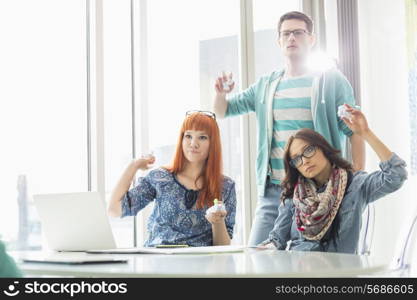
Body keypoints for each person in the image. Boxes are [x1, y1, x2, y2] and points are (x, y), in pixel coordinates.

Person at [213, 11, 365, 246]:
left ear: (311, 39)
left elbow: (355, 130)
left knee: (314, 265)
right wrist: (221, 93)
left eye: (298, 32)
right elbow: (223, 111)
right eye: (286, 34)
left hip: (319, 191)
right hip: (275, 191)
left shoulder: (331, 81)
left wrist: (355, 180)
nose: (291, 37)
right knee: (257, 261)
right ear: (279, 41)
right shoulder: (266, 85)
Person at [260, 104, 407, 253]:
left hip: (339, 271)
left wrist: (365, 133)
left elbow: (396, 175)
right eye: (297, 159)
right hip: (299, 269)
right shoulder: (294, 195)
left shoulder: (355, 185)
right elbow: (276, 240)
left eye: (308, 150)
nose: (304, 161)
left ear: (323, 148)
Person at [108, 111, 236, 247]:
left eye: (202, 137)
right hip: (158, 262)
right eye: (188, 136)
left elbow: (222, 246)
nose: (193, 143)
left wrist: (218, 222)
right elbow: (114, 209)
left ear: (213, 143)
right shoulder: (160, 178)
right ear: (181, 139)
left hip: (200, 264)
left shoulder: (226, 186)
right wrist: (133, 166)